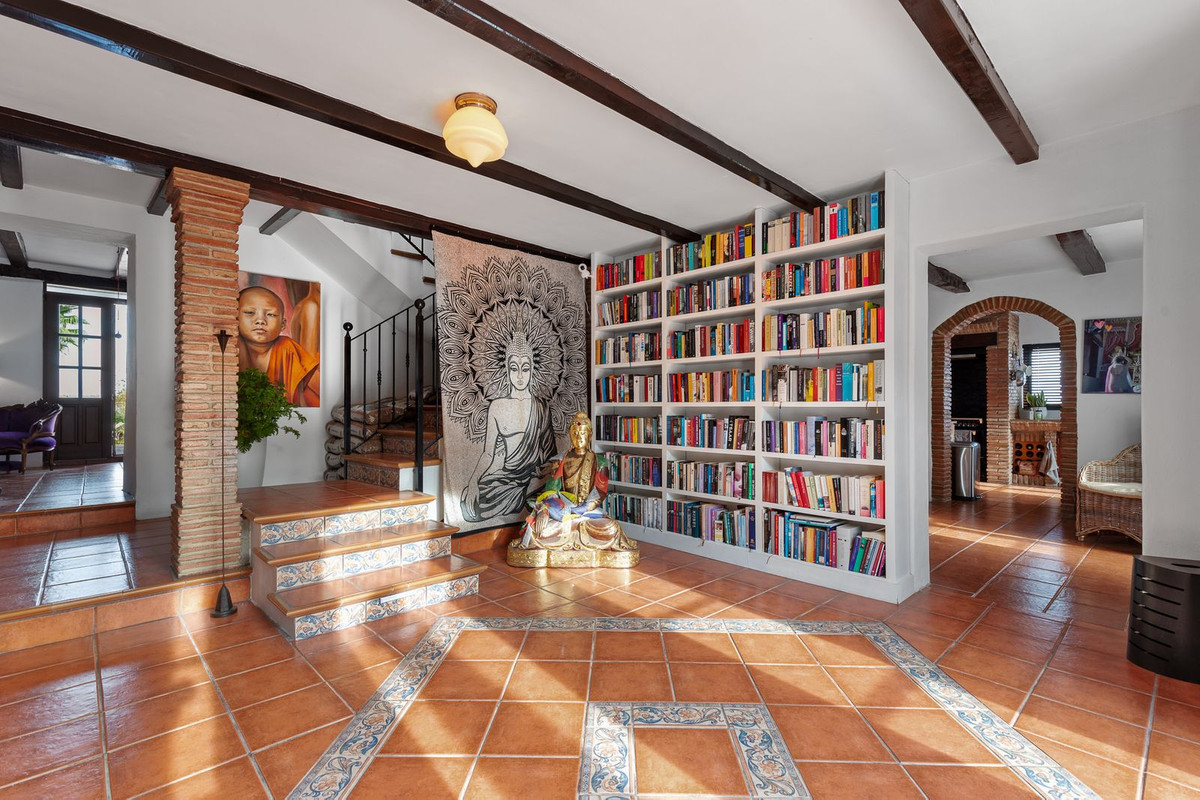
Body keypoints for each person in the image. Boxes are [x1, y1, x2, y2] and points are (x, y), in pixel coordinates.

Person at [511, 411, 639, 564]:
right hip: (563, 512)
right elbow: (551, 490)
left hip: (588, 513)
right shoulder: (560, 460)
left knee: (612, 528)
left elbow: (600, 491)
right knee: (537, 530)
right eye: (575, 433)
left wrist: (583, 508)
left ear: (590, 435)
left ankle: (568, 539)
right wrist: (546, 511)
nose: (579, 437)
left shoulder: (600, 462)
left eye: (583, 433)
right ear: (570, 435)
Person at [460, 331, 556, 522]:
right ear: (507, 370)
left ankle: (530, 495)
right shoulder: (497, 406)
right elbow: (488, 454)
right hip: (507, 478)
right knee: (468, 503)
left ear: (532, 370)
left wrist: (544, 472)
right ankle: (527, 498)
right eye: (514, 368)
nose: (520, 376)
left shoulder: (541, 406)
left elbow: (551, 455)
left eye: (525, 369)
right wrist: (473, 483)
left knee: (546, 487)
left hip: (534, 477)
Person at [237, 286, 320, 406]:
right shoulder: (233, 347)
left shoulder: (287, 348)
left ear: (283, 324)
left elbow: (299, 399)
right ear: (236, 318)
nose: (260, 321)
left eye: (270, 314)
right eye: (250, 313)